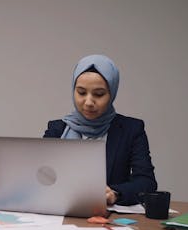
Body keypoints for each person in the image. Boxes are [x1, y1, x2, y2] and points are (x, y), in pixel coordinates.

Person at [43, 54, 157, 206]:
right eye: (81, 92)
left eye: (99, 94)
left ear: (112, 94)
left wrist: (114, 193)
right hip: (61, 214)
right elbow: (41, 176)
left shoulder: (131, 130)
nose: (89, 102)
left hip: (106, 218)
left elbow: (146, 182)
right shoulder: (57, 129)